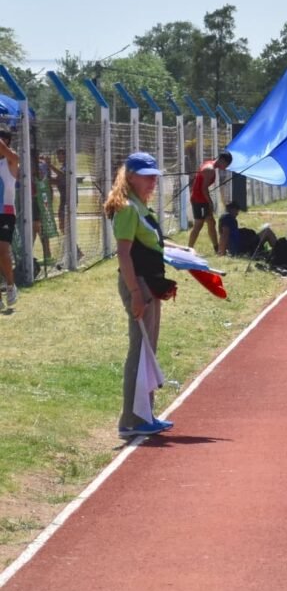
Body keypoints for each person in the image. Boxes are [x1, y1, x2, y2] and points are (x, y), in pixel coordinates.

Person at [102, 152, 178, 437]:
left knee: (148, 350)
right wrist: (135, 292)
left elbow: (152, 243)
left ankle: (143, 414)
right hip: (140, 285)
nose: (152, 182)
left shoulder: (139, 207)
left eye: (154, 177)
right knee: (141, 349)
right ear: (130, 176)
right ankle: (132, 420)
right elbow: (124, 254)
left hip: (149, 284)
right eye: (146, 176)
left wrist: (182, 252)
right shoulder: (127, 208)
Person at [189, 151, 230, 251]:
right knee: (199, 224)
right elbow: (203, 188)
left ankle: (216, 248)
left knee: (211, 222)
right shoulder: (210, 169)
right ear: (222, 160)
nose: (226, 167)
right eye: (227, 164)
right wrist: (210, 202)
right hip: (199, 200)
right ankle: (188, 248)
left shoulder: (209, 164)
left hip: (201, 198)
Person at [0, 128, 19, 310]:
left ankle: (11, 285)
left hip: (5, 212)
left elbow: (6, 151)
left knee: (3, 250)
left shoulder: (11, 160)